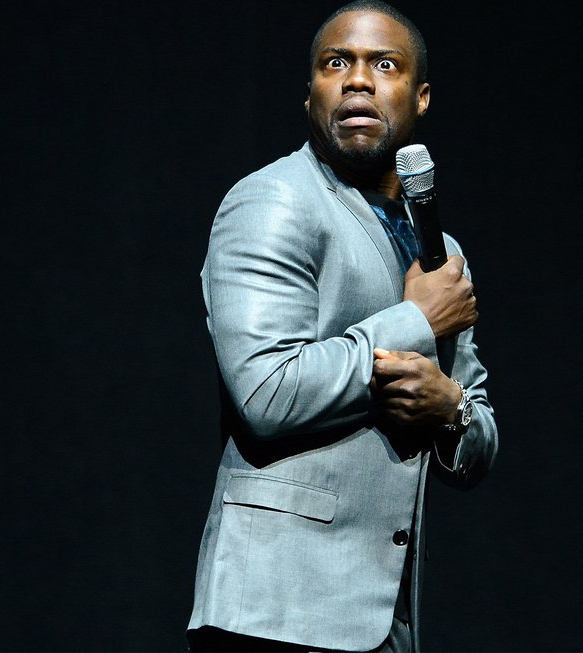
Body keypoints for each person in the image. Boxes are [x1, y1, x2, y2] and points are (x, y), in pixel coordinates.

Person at [187, 2, 498, 651]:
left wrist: (449, 409)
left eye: (384, 64)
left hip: (385, 623)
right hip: (276, 614)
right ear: (310, 96)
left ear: (421, 97)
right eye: (336, 63)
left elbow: (478, 435)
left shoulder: (438, 252)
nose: (358, 79)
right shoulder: (273, 200)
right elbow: (267, 392)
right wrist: (418, 319)